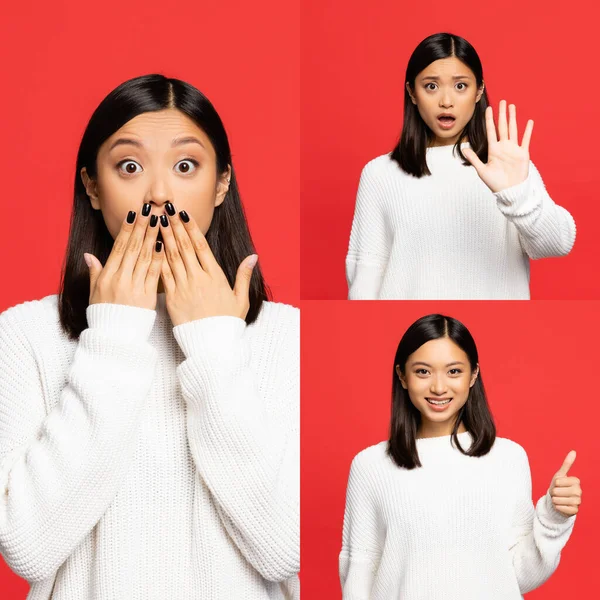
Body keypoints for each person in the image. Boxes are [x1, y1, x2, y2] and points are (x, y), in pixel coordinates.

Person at [0, 74, 299, 600]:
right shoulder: (27, 336)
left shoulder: (286, 337)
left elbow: (283, 548)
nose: (159, 194)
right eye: (130, 167)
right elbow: (29, 547)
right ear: (92, 185)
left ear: (221, 183)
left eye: (185, 167)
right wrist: (112, 340)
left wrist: (212, 344)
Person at [339, 314, 581, 599]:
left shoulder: (508, 458)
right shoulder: (370, 466)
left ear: (473, 375)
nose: (439, 387)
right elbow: (359, 574)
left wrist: (554, 517)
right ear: (402, 376)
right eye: (422, 372)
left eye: (453, 371)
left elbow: (516, 574)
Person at [345, 32, 576, 300]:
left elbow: (557, 243)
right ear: (412, 92)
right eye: (431, 86)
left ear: (479, 91)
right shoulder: (379, 173)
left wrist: (517, 195)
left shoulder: (505, 166)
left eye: (460, 86)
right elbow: (365, 279)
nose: (446, 101)